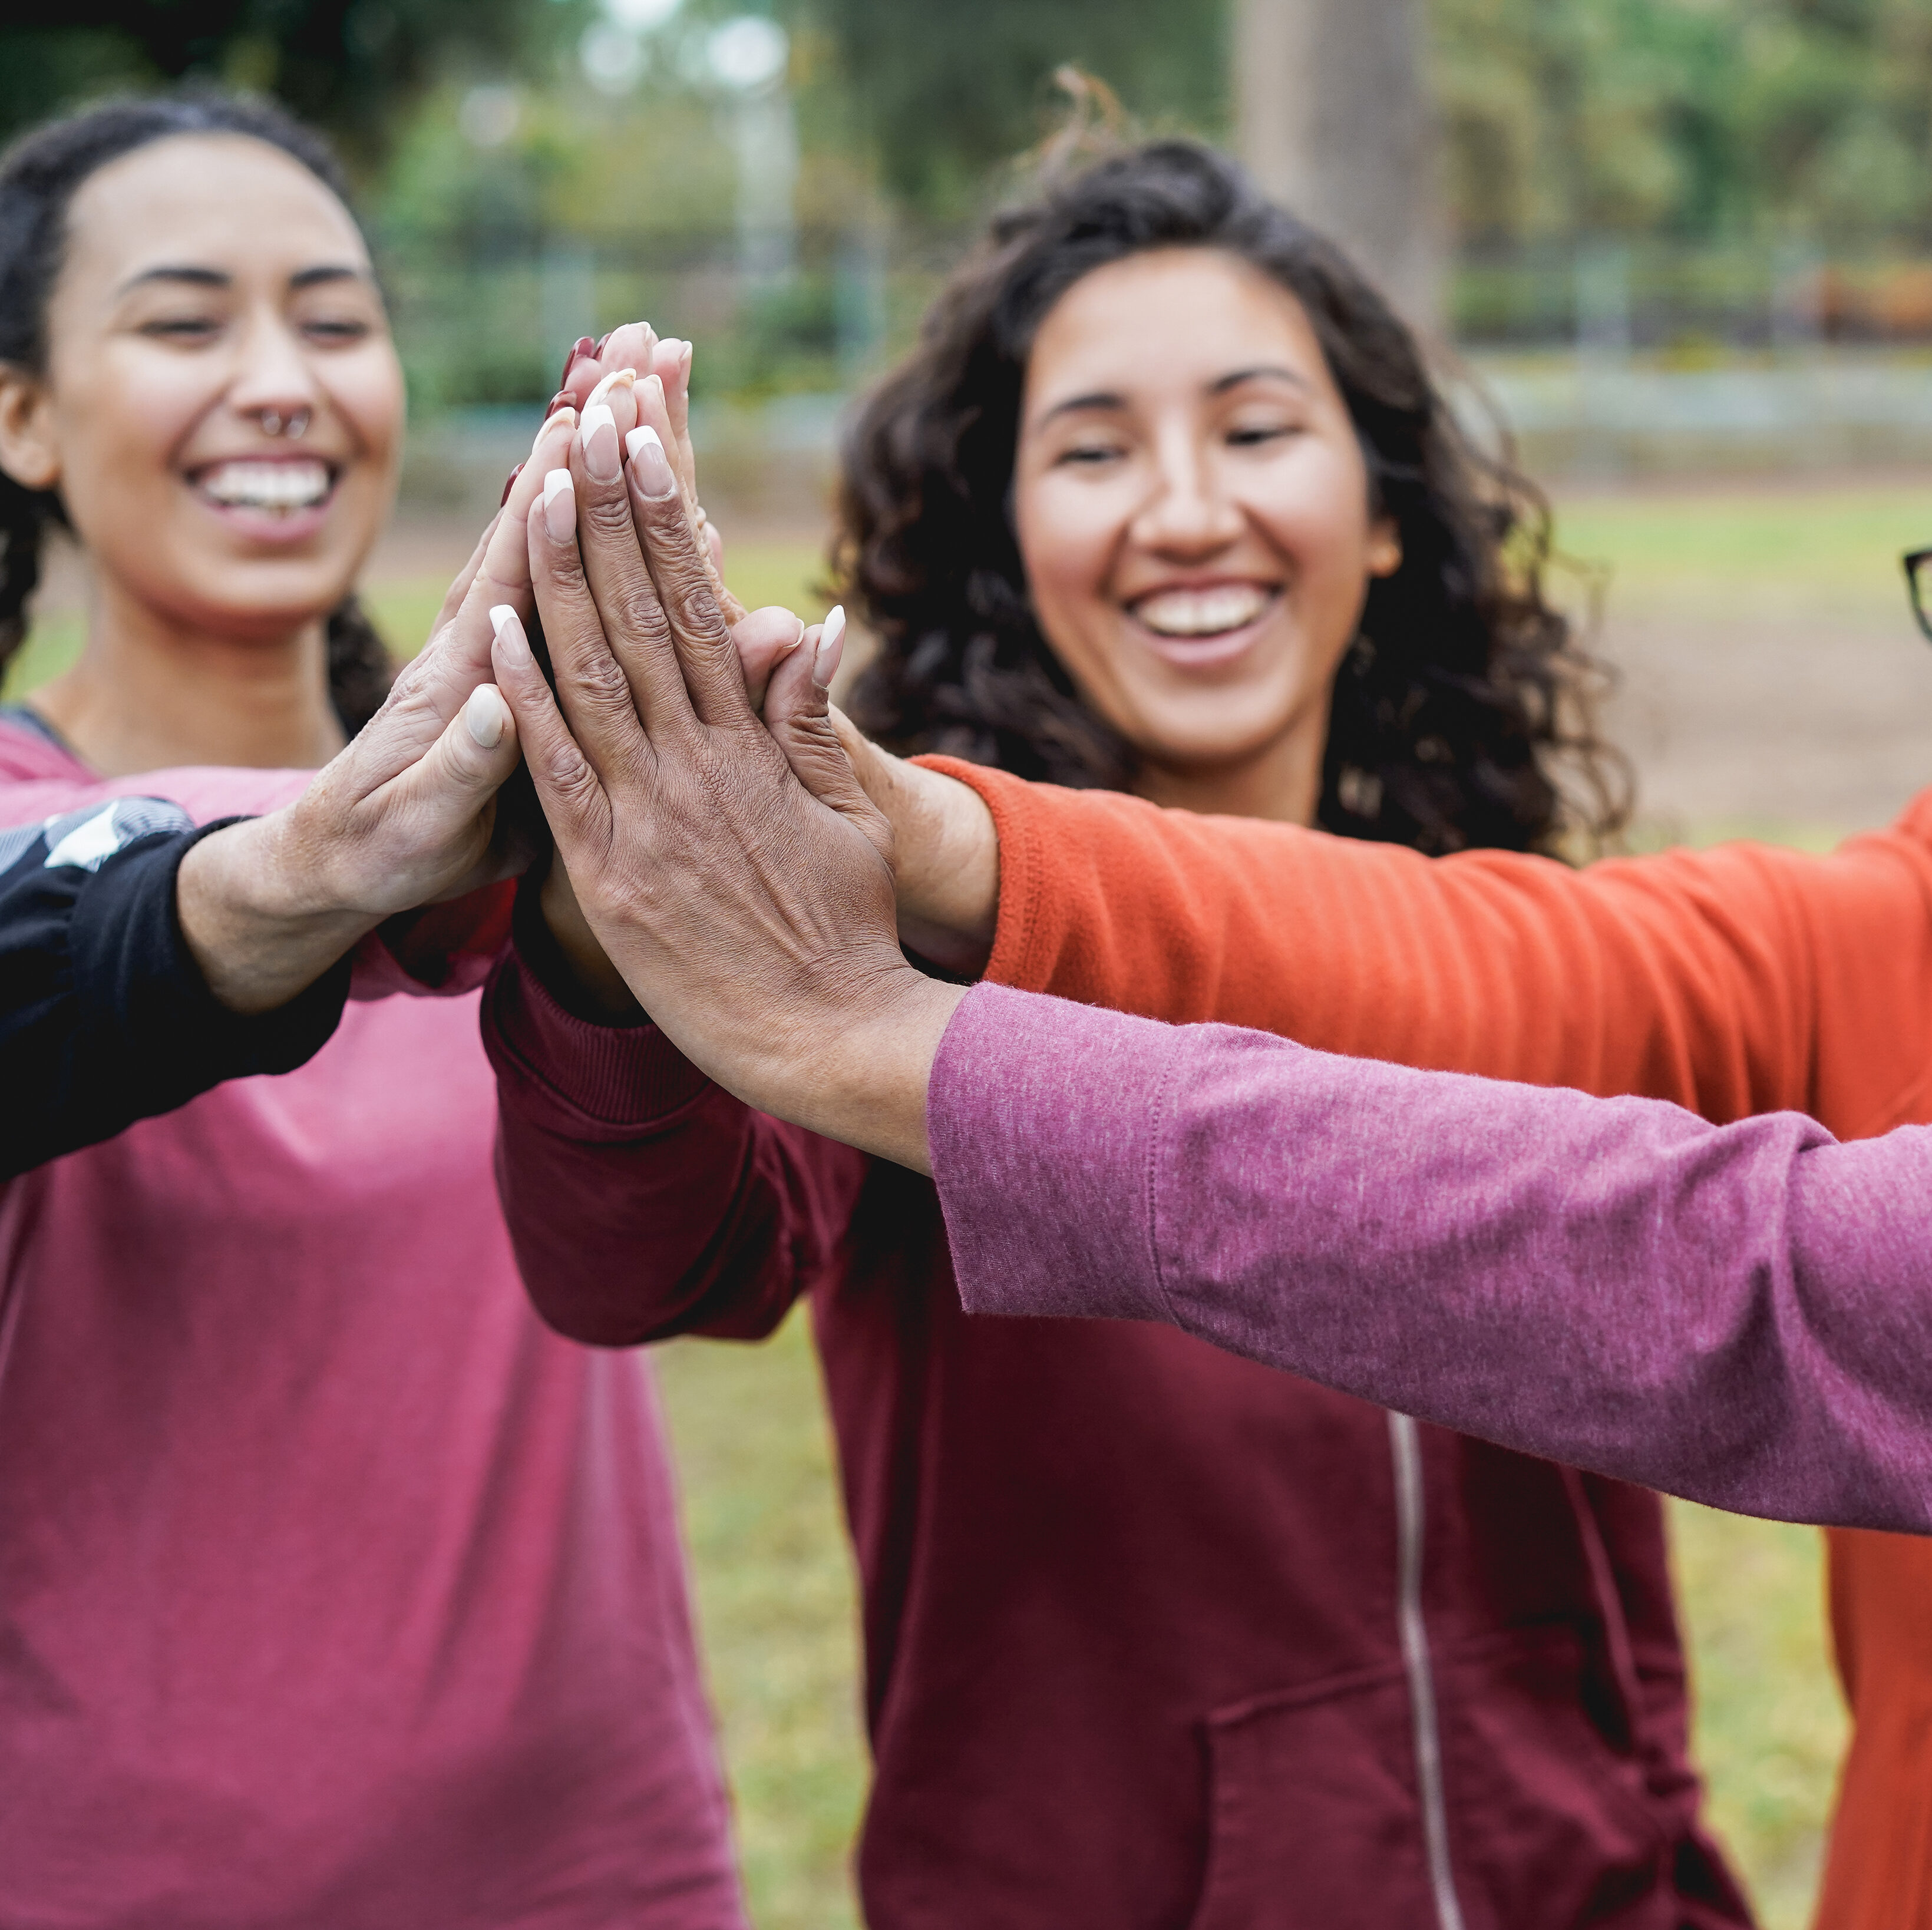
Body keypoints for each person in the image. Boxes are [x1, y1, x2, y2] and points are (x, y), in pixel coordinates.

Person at [486, 144, 1753, 1929]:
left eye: (1256, 429)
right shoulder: (898, 961)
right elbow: (652, 1263)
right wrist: (596, 931)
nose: (1186, 510)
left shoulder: (1521, 938)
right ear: (1004, 536)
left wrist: (1664, 1853)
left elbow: (1632, 1533)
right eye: (1093, 451)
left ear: (1385, 510)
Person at [0, 92, 759, 1927]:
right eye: (186, 323)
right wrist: (309, 869)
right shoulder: (44, 841)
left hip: (605, 1869)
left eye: (334, 322)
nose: (281, 384)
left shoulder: (543, 825)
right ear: (20, 414)